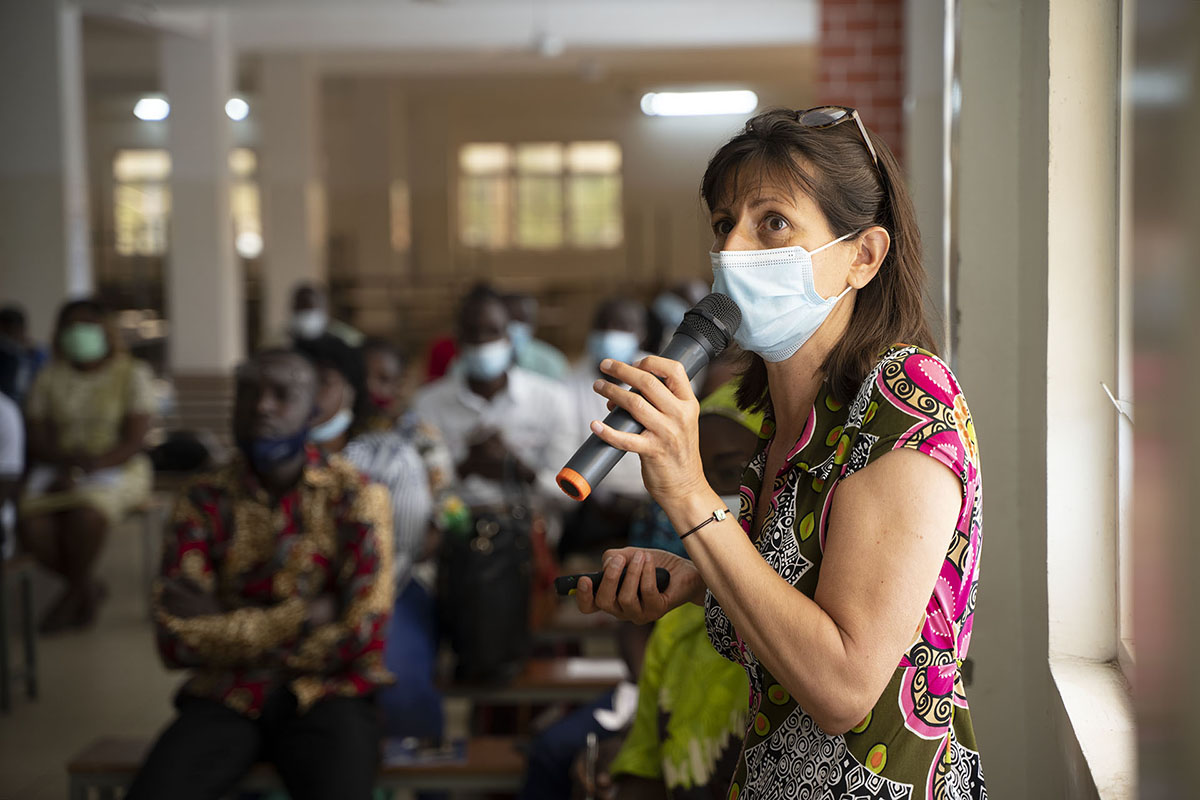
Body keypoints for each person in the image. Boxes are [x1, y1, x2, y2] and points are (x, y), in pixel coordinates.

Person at [573, 107, 986, 799]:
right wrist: (701, 576)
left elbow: (843, 686)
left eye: (772, 222)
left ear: (863, 256)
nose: (732, 251)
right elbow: (801, 611)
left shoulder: (905, 398)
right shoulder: (790, 421)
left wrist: (688, 494)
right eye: (723, 224)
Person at [127, 348, 393, 800]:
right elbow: (175, 638)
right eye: (249, 394)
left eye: (281, 395)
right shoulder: (202, 499)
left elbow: (363, 634)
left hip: (327, 697)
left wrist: (226, 626)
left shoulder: (356, 496)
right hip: (225, 697)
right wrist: (305, 617)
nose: (262, 407)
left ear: (312, 412)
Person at [295, 333, 445, 741]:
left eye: (321, 383)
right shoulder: (282, 458)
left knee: (400, 692)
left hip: (390, 591)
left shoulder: (394, 454)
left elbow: (402, 552)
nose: (306, 396)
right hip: (303, 605)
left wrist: (344, 603)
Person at [18, 298, 155, 632]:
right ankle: (84, 588)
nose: (78, 334)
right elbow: (37, 437)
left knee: (87, 514)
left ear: (105, 331)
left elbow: (134, 440)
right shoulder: (49, 377)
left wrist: (84, 471)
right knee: (30, 524)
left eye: (86, 326)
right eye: (70, 327)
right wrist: (66, 466)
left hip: (117, 465)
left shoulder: (132, 373)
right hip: (59, 466)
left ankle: (72, 596)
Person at [413, 284, 574, 512]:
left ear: (509, 338)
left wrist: (514, 467)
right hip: (456, 530)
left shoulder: (551, 399)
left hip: (531, 528)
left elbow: (569, 495)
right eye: (472, 333)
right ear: (457, 341)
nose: (482, 342)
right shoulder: (428, 404)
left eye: (492, 331)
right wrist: (467, 466)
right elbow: (420, 490)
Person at [558, 297, 650, 558]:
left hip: (650, 502)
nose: (610, 333)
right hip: (592, 507)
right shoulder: (567, 384)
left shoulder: (658, 376)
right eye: (603, 325)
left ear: (640, 335)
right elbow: (564, 451)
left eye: (622, 326)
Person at [502, 291, 569, 380]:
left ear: (534, 325)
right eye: (510, 319)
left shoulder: (551, 363)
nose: (516, 327)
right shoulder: (485, 363)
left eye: (523, 320)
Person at [286, 281, 363, 346]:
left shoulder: (349, 338)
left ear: (325, 308)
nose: (306, 313)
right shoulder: (283, 339)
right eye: (300, 307)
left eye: (312, 307)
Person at [0, 303, 45, 404]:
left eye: (15, 329)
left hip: (28, 404)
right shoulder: (3, 353)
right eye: (7, 331)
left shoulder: (36, 353)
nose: (11, 336)